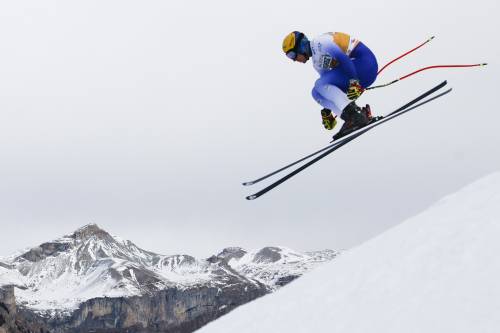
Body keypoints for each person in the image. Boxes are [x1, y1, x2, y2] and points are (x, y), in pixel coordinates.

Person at [282, 31, 379, 139]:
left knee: (319, 84)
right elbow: (331, 88)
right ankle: (351, 117)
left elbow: (344, 59)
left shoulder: (320, 42)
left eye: (292, 55)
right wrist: (327, 111)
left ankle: (356, 115)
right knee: (316, 93)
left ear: (301, 46)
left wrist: (354, 82)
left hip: (364, 64)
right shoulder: (316, 63)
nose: (294, 60)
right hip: (356, 72)